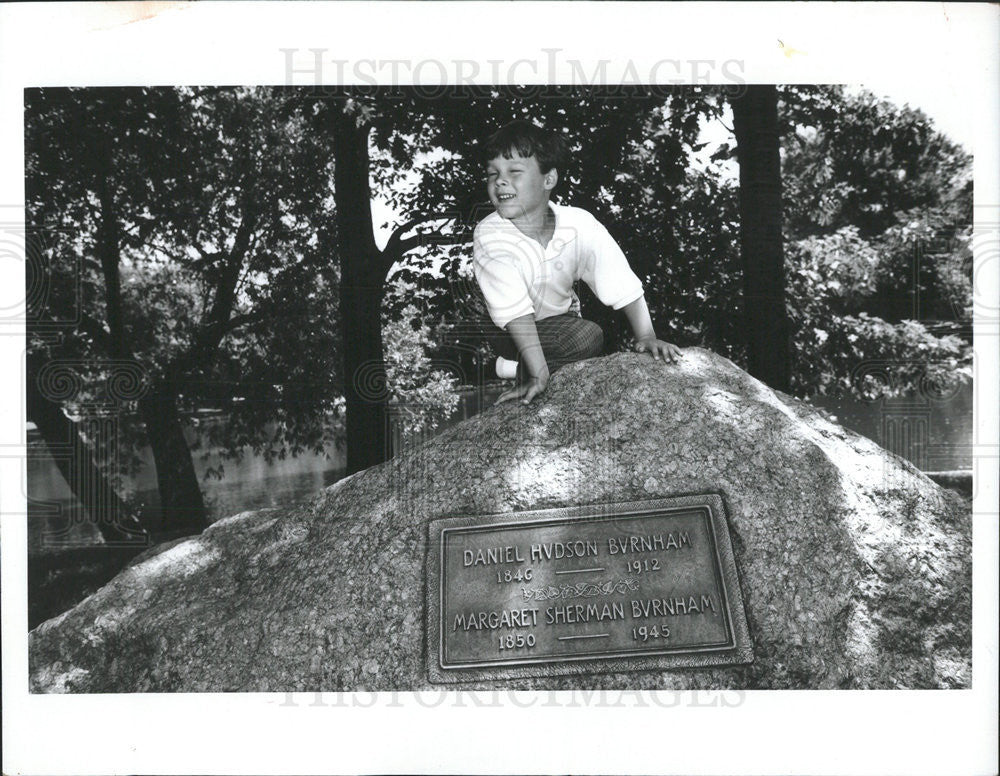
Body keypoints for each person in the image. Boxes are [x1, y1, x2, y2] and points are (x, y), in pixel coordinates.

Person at [472, 119, 681, 405]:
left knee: (582, 338)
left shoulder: (579, 223)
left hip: (559, 323)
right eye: (492, 173)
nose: (500, 181)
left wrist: (646, 335)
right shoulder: (491, 233)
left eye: (515, 171)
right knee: (587, 338)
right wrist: (538, 375)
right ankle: (523, 366)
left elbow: (618, 278)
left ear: (549, 179)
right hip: (506, 328)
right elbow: (514, 312)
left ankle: (516, 367)